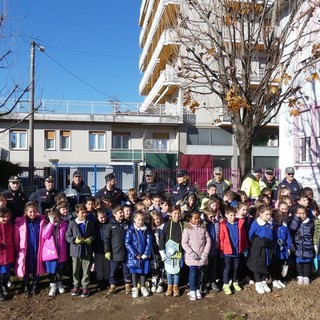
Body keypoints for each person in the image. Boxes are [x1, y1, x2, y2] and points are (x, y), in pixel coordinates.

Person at [14, 201, 46, 295]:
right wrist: (18, 250)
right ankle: (26, 284)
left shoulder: (41, 222)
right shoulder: (20, 223)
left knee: (37, 266)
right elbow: (16, 238)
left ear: (37, 211)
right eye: (30, 212)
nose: (32, 214)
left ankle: (35, 283)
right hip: (26, 249)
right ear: (26, 212)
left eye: (34, 211)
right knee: (26, 266)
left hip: (38, 248)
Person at [65, 203, 96, 298]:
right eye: (82, 213)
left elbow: (93, 234)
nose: (84, 215)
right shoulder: (72, 223)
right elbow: (67, 236)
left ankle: (85, 286)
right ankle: (76, 285)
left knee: (86, 270)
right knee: (75, 270)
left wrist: (90, 239)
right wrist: (74, 240)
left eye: (85, 213)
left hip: (86, 250)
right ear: (76, 213)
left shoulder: (89, 223)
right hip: (75, 251)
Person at [182, 211, 211, 301]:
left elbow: (208, 241)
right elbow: (184, 243)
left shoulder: (203, 228)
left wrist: (205, 254)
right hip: (192, 257)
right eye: (195, 218)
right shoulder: (187, 229)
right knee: (193, 273)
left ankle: (198, 288)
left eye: (198, 218)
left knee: (199, 274)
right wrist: (192, 253)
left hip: (202, 256)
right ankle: (192, 290)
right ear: (190, 219)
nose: (197, 220)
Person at [219, 206, 249, 295]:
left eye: (234, 215)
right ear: (226, 215)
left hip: (237, 250)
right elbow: (221, 238)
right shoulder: (223, 225)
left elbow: (243, 237)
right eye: (230, 215)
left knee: (236, 268)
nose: (233, 217)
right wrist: (221, 250)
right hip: (228, 251)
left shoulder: (239, 224)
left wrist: (245, 248)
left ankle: (235, 281)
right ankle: (226, 284)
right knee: (227, 268)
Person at [41, 207, 68, 296]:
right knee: (52, 270)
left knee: (59, 269)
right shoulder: (46, 225)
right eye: (51, 218)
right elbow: (45, 236)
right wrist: (51, 224)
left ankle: (59, 283)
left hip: (61, 251)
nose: (54, 219)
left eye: (55, 217)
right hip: (50, 252)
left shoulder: (64, 225)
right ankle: (52, 285)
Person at [104, 206, 131, 295]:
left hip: (126, 252)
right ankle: (112, 285)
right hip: (114, 252)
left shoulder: (127, 224)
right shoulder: (110, 225)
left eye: (122, 212)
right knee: (113, 270)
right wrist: (107, 251)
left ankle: (127, 283)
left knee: (126, 269)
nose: (122, 214)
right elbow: (106, 239)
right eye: (120, 213)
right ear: (114, 214)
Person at [125, 211, 152, 298]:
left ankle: (143, 287)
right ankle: (135, 288)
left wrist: (146, 254)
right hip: (134, 256)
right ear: (135, 219)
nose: (140, 222)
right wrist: (135, 253)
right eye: (138, 220)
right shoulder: (131, 230)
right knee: (134, 272)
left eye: (142, 220)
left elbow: (149, 242)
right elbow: (127, 243)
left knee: (143, 272)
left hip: (144, 256)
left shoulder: (146, 230)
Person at [247, 205, 274, 294]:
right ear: (260, 214)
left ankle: (263, 281)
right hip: (258, 248)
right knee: (258, 264)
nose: (269, 216)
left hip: (267, 247)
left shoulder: (270, 223)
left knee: (265, 264)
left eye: (270, 214)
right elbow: (250, 235)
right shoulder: (256, 224)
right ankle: (258, 282)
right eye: (266, 214)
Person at [159, 205, 184, 297]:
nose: (176, 215)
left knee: (177, 269)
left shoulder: (183, 225)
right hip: (168, 251)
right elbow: (162, 239)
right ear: (170, 214)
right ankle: (169, 287)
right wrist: (162, 251)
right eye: (174, 213)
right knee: (169, 270)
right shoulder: (167, 225)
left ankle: (175, 287)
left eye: (178, 213)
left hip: (179, 251)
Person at [289, 205, 314, 285]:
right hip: (298, 246)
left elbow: (313, 233)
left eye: (303, 213)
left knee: (307, 262)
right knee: (299, 262)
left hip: (308, 246)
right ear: (295, 214)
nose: (302, 215)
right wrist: (296, 219)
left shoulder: (310, 222)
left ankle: (306, 276)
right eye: (299, 213)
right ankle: (300, 276)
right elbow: (292, 228)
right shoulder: (295, 222)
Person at [202, 207, 220, 293]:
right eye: (210, 217)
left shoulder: (215, 223)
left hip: (214, 249)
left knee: (213, 267)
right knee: (205, 268)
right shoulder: (204, 225)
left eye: (213, 216)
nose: (213, 218)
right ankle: (204, 283)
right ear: (205, 216)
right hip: (206, 250)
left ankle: (213, 282)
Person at [271, 209, 291, 289]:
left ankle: (279, 279)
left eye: (279, 216)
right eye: (276, 216)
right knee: (274, 265)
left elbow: (288, 238)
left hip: (283, 250)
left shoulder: (284, 226)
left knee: (281, 265)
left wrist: (288, 247)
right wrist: (276, 243)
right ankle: (274, 280)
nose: (278, 218)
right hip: (275, 250)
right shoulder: (272, 226)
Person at [93, 209, 110, 291]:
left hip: (107, 249)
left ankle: (107, 281)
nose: (103, 219)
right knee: (99, 266)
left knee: (107, 266)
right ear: (97, 217)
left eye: (104, 217)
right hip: (98, 249)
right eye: (101, 218)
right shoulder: (95, 225)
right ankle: (100, 281)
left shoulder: (109, 224)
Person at [0, 207, 14, 300]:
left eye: (7, 216)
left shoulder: (10, 226)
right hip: (0, 254)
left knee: (7, 273)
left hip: (9, 253)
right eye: (2, 217)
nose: (5, 219)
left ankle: (4, 285)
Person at [150, 210, 165, 293]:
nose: (156, 221)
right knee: (155, 266)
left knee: (162, 267)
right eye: (154, 220)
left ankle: (161, 283)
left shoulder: (164, 226)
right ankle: (154, 282)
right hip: (154, 250)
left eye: (157, 219)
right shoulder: (151, 229)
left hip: (163, 249)